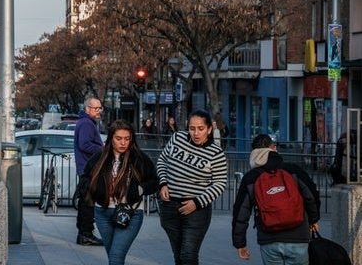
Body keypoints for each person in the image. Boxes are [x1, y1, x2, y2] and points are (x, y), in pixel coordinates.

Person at [232, 134, 320, 264]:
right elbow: (311, 196)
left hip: (269, 239)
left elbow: (241, 212)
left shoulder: (251, 178)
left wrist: (240, 243)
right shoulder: (293, 170)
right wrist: (314, 219)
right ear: (274, 149)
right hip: (298, 236)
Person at [156, 109, 228, 265]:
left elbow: (220, 183)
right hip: (169, 206)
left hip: (196, 210)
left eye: (200, 128)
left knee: (188, 255)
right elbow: (162, 161)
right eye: (191, 128)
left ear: (209, 129)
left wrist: (197, 202)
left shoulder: (216, 153)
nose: (195, 133)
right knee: (178, 255)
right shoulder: (177, 138)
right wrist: (163, 183)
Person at [84, 119, 159, 264]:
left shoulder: (139, 158)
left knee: (115, 257)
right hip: (103, 213)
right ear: (111, 138)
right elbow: (85, 179)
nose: (123, 143)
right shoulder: (100, 157)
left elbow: (154, 181)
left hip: (131, 213)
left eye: (127, 139)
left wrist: (139, 189)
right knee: (114, 256)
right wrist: (96, 190)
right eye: (118, 138)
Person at [73, 97, 105, 246]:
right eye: (95, 108)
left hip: (87, 168)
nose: (98, 111)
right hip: (88, 168)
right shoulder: (86, 123)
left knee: (86, 202)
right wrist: (103, 150)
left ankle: (84, 234)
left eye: (100, 108)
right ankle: (86, 234)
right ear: (87, 109)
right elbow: (85, 144)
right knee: (88, 203)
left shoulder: (86, 122)